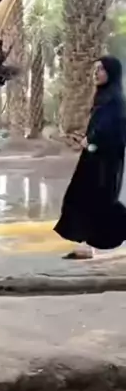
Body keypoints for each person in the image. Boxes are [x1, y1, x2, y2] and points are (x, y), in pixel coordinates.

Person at [54, 55, 126, 259]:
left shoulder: (116, 100)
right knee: (85, 200)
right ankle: (88, 246)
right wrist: (88, 140)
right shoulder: (103, 97)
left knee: (99, 201)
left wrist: (93, 141)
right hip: (93, 159)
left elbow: (116, 132)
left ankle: (89, 246)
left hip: (105, 162)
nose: (96, 73)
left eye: (101, 69)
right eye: (96, 69)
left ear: (111, 73)